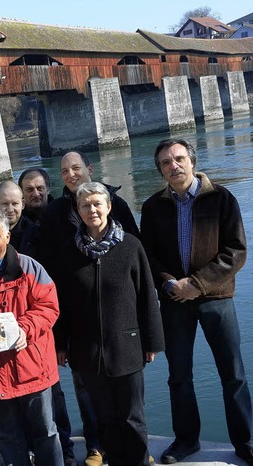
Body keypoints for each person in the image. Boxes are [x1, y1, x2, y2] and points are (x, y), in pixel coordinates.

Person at [141, 138, 253, 465]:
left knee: (233, 373)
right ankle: (186, 441)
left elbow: (236, 251)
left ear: (191, 161)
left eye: (178, 159)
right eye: (165, 162)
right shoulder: (152, 207)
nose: (173, 166)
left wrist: (199, 284)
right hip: (175, 299)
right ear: (161, 170)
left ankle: (245, 440)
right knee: (179, 375)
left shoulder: (221, 197)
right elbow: (149, 254)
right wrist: (170, 283)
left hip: (217, 297)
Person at [41, 150, 140, 466]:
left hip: (118, 314)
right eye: (64, 170)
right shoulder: (54, 212)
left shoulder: (117, 204)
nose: (70, 174)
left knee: (128, 395)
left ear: (89, 169)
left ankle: (136, 449)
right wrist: (60, 334)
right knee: (86, 387)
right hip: (77, 311)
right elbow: (49, 266)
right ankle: (97, 446)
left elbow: (136, 261)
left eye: (76, 168)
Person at [55, 182, 164, 466]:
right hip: (86, 350)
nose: (92, 210)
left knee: (132, 417)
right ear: (78, 211)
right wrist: (61, 344)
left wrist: (152, 341)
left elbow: (146, 296)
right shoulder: (68, 252)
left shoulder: (130, 246)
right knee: (105, 418)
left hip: (127, 346)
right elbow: (62, 304)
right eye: (85, 205)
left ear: (109, 207)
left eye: (96, 204)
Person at [0, 209, 63, 466]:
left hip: (31, 369)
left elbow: (49, 308)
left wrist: (24, 329)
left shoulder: (29, 268)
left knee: (46, 433)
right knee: (7, 435)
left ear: (7, 235)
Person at [0, 180, 41, 261]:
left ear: (23, 204)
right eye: (5, 204)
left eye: (15, 204)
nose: (10, 209)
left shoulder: (37, 234)